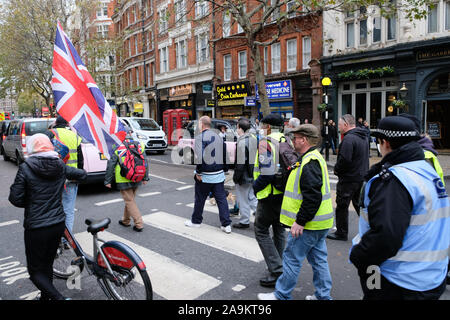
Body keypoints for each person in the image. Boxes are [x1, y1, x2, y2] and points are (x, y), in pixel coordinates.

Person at [350, 115, 450, 300]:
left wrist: (359, 256)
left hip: (396, 280)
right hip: (431, 276)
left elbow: (386, 236)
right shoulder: (426, 169)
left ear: (385, 142)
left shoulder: (395, 179)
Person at [257, 124, 334, 300]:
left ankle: (281, 295)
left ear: (304, 140)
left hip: (309, 225)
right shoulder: (313, 158)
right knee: (319, 260)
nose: (292, 141)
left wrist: (300, 221)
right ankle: (323, 296)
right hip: (320, 223)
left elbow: (312, 197)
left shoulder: (309, 162)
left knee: (291, 259)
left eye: (295, 137)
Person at [9, 134, 86, 300]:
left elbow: (15, 198)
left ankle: (58, 298)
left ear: (31, 148)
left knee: (35, 271)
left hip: (36, 227)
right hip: (58, 223)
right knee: (47, 264)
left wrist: (32, 203)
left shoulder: (26, 167)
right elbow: (82, 173)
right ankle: (46, 297)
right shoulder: (60, 165)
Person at [253, 113, 287, 287]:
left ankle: (276, 269)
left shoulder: (266, 143)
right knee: (279, 229)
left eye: (262, 125)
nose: (260, 128)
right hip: (284, 194)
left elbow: (266, 172)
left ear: (267, 126)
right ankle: (280, 264)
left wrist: (255, 186)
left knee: (260, 230)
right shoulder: (286, 140)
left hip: (268, 195)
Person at [185, 116, 232, 233]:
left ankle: (196, 221)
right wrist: (225, 169)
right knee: (221, 200)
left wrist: (199, 172)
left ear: (201, 124)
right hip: (219, 174)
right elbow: (225, 154)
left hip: (205, 174)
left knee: (200, 198)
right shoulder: (219, 136)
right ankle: (226, 225)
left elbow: (199, 157)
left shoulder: (200, 138)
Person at [327, 114, 369, 241]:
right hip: (360, 176)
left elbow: (345, 160)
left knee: (342, 206)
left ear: (346, 125)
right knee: (359, 205)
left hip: (348, 179)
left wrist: (337, 170)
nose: (338, 127)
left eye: (339, 125)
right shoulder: (363, 137)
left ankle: (341, 232)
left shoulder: (349, 139)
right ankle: (369, 230)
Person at [104, 131, 149, 232]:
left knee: (129, 200)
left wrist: (108, 180)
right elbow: (145, 161)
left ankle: (139, 223)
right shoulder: (140, 144)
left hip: (123, 177)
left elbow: (111, 164)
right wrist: (145, 177)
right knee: (130, 200)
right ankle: (126, 220)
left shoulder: (118, 146)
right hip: (137, 175)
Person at [45, 115, 83, 233]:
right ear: (67, 124)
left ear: (55, 123)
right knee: (68, 210)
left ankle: (54, 236)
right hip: (71, 177)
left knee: (52, 208)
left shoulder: (50, 134)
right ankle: (67, 239)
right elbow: (80, 159)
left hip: (53, 177)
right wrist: (79, 175)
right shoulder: (75, 136)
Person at [232, 118, 258, 229]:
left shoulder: (242, 142)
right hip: (253, 173)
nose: (236, 130)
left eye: (237, 127)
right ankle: (263, 216)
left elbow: (240, 163)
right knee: (252, 197)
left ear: (240, 128)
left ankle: (244, 221)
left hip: (244, 175)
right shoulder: (253, 138)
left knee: (243, 199)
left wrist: (236, 177)